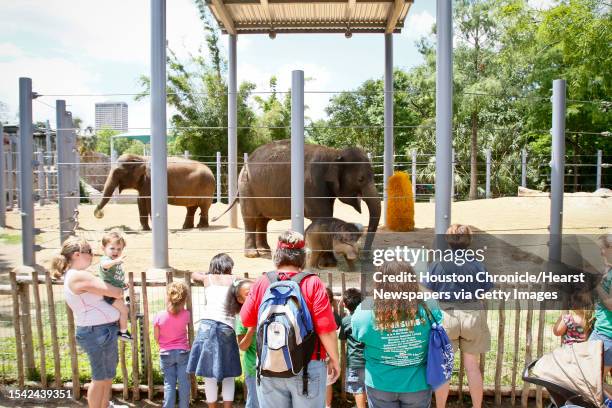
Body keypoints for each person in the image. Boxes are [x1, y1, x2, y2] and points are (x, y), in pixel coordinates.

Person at [240, 230, 340, 408]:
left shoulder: (263, 282)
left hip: (269, 365)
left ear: (276, 255)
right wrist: (334, 359)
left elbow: (246, 319)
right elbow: (326, 330)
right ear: (303, 257)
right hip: (309, 367)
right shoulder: (312, 283)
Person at [351, 260, 442, 408]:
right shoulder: (428, 307)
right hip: (418, 384)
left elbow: (357, 333)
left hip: (380, 383)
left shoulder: (366, 311)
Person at [51, 236, 124, 408]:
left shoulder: (77, 275)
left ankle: (105, 405)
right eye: (89, 252)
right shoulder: (79, 276)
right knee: (99, 378)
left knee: (107, 375)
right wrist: (118, 287)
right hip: (96, 332)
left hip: (103, 330)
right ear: (77, 254)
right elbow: (116, 292)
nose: (92, 255)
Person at [425, 224, 492, 408]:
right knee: (472, 366)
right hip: (472, 315)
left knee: (445, 367)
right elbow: (485, 290)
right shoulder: (477, 264)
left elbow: (429, 290)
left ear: (448, 241)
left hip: (447, 316)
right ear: (469, 241)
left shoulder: (438, 263)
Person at [187, 253, 241, 408]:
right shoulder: (234, 279)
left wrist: (205, 273)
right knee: (229, 374)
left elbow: (193, 274)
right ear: (228, 267)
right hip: (226, 328)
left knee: (208, 374)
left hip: (206, 326)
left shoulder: (207, 278)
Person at [154, 281, 191, 408]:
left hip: (166, 353)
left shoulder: (159, 316)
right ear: (184, 300)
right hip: (182, 353)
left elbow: (156, 337)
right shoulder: (186, 315)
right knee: (184, 383)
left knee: (169, 384)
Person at [227, 279, 259, 408]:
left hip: (268, 368)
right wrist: (251, 330)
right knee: (254, 402)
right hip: (252, 367)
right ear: (240, 300)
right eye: (248, 294)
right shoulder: (242, 318)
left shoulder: (264, 312)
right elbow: (243, 346)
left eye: (254, 292)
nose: (253, 295)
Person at [98, 231, 131, 341]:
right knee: (124, 311)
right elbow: (104, 265)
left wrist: (123, 283)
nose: (116, 251)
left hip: (115, 292)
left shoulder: (115, 261)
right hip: (109, 293)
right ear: (103, 248)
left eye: (119, 249)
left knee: (119, 311)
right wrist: (116, 261)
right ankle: (123, 332)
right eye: (112, 248)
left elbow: (115, 277)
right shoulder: (106, 260)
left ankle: (117, 328)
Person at [339, 288, 366, 408]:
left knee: (358, 388)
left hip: (355, 360)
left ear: (344, 305)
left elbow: (342, 338)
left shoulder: (345, 321)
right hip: (369, 358)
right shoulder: (367, 319)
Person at [590, 234, 612, 376]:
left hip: (606, 335)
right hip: (601, 333)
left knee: (594, 383)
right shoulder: (607, 270)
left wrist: (597, 286)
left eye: (602, 248)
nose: (600, 252)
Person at [325, 286, 342, 408]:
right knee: (327, 383)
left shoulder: (307, 312)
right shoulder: (332, 316)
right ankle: (328, 405)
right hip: (327, 355)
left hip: (312, 356)